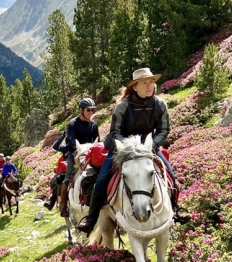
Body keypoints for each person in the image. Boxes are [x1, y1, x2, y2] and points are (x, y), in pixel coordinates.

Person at [77, 67, 187, 234]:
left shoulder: (160, 104)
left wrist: (151, 146)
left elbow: (164, 130)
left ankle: (176, 209)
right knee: (101, 180)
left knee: (171, 175)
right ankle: (91, 218)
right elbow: (115, 132)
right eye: (144, 83)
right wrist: (129, 148)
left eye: (151, 82)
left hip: (148, 147)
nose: (150, 85)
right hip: (122, 148)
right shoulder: (123, 106)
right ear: (135, 87)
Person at [57, 97, 100, 217]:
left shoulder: (93, 125)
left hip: (90, 154)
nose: (91, 113)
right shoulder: (72, 124)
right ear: (81, 110)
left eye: (93, 110)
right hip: (76, 154)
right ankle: (63, 206)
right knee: (68, 178)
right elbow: (71, 141)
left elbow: (98, 141)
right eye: (88, 110)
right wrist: (78, 151)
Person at [44, 132, 69, 210]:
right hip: (66, 170)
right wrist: (63, 136)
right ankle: (51, 200)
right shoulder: (65, 148)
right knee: (56, 180)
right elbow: (55, 146)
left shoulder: (79, 145)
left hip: (77, 167)